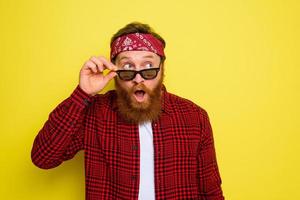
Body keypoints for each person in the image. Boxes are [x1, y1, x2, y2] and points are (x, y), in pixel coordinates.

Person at [31, 22, 224, 200]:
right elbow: (43, 157)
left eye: (148, 67)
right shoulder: (94, 113)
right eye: (127, 67)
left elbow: (211, 191)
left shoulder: (194, 117)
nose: (138, 79)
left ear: (162, 68)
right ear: (114, 71)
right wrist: (82, 94)